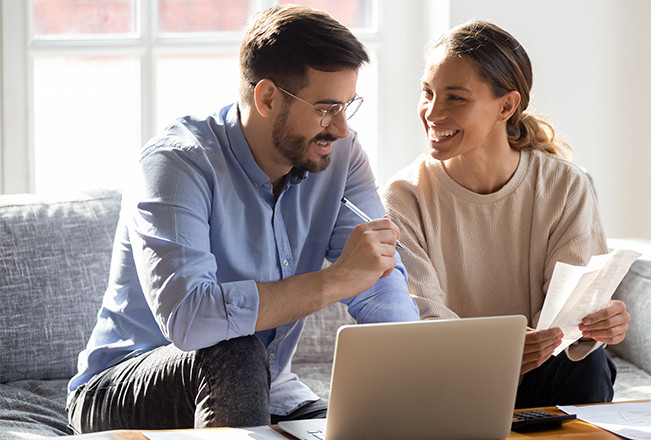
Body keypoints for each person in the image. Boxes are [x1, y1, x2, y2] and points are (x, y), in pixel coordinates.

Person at [66, 5, 418, 433]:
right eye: (327, 108)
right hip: (122, 386)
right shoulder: (176, 165)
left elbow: (378, 277)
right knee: (234, 350)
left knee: (367, 427)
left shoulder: (340, 155)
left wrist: (415, 369)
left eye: (348, 106)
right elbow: (191, 320)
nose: (341, 128)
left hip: (270, 390)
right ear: (267, 97)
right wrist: (334, 280)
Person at [381, 20, 628, 408]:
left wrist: (597, 325)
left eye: (455, 98)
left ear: (507, 105)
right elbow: (422, 321)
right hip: (451, 379)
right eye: (427, 93)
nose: (432, 112)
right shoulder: (402, 197)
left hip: (542, 370)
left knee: (589, 364)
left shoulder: (565, 185)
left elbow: (571, 316)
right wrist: (499, 351)